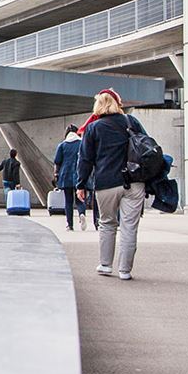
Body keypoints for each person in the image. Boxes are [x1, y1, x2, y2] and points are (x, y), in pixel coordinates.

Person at [77, 89, 148, 280]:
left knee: (107, 224)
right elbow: (146, 146)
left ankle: (106, 265)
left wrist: (81, 184)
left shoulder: (93, 128)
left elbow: (85, 159)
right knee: (129, 227)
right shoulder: (131, 122)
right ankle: (125, 270)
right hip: (134, 181)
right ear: (117, 103)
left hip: (106, 183)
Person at [53, 124, 84, 231]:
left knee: (68, 201)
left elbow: (57, 161)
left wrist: (56, 174)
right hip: (79, 174)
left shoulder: (62, 145)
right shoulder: (81, 143)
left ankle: (70, 225)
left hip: (65, 175)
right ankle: (81, 213)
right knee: (80, 198)